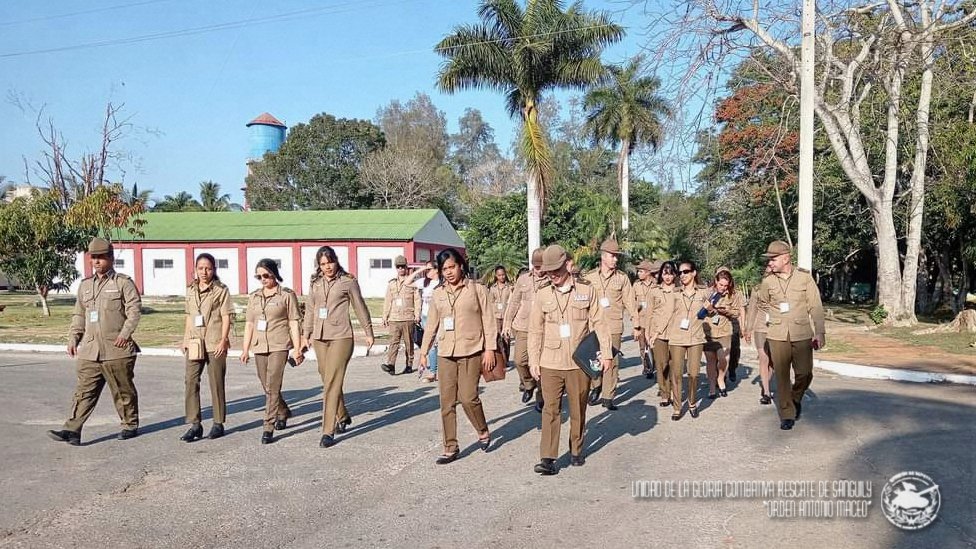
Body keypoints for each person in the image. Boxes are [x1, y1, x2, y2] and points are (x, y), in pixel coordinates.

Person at [48, 237, 142, 446]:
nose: (97, 261)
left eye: (101, 257)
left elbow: (134, 311)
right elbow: (79, 315)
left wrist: (125, 334)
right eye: (94, 257)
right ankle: (72, 430)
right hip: (90, 349)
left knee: (121, 390)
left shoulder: (122, 283)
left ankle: (129, 424)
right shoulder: (85, 286)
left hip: (117, 348)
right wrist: (73, 338)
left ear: (110, 258)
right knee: (84, 391)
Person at [528, 245, 612, 475]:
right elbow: (535, 330)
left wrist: (606, 353)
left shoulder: (586, 290)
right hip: (550, 361)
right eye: (548, 271)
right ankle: (548, 457)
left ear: (567, 265)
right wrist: (533, 360)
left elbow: (599, 323)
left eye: (556, 269)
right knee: (551, 410)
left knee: (578, 408)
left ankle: (576, 449)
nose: (552, 275)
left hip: (578, 363)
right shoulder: (542, 293)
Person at [419, 248, 497, 464]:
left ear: (461, 265)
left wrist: (489, 349)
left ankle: (482, 429)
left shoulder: (477, 290)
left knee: (468, 397)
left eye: (452, 267)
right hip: (446, 352)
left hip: (472, 350)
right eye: (444, 269)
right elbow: (432, 325)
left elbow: (489, 320)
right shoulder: (438, 294)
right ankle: (450, 447)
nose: (449, 272)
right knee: (446, 402)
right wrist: (424, 352)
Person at [302, 246, 374, 448]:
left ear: (336, 261)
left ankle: (327, 430)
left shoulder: (347, 281)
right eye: (323, 264)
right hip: (320, 337)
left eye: (330, 262)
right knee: (327, 379)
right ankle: (342, 415)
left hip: (341, 337)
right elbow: (310, 309)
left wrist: (368, 332)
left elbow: (360, 306)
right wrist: (305, 334)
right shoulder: (315, 283)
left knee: (332, 382)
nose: (327, 267)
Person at [754, 241, 826, 430]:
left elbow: (815, 306)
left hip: (801, 332)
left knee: (805, 373)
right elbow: (762, 303)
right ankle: (787, 413)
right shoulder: (768, 281)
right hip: (777, 334)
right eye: (769, 259)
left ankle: (795, 398)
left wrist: (820, 331)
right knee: (783, 375)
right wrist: (773, 316)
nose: (770, 262)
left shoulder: (804, 278)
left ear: (786, 258)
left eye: (773, 259)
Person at [240, 259, 304, 444]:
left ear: (274, 274)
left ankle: (268, 425)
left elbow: (294, 322)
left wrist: (298, 348)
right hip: (259, 345)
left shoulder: (286, 295)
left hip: (279, 345)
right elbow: (249, 324)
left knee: (273, 385)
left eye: (266, 275)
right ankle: (283, 411)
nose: (263, 279)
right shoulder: (254, 297)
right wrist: (245, 349)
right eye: (259, 276)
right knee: (266, 384)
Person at [179, 253, 232, 442]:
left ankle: (218, 423)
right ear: (195, 269)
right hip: (195, 341)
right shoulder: (190, 290)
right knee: (190, 381)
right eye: (200, 268)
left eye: (208, 268)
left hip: (214, 341)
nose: (204, 272)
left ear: (214, 270)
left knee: (216, 382)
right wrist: (185, 339)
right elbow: (188, 316)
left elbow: (227, 316)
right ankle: (195, 424)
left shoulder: (221, 290)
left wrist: (223, 340)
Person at [583, 239, 641, 410]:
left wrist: (636, 325)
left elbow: (630, 302)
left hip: (613, 326)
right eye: (612, 256)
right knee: (593, 359)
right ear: (603, 256)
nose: (615, 259)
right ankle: (596, 385)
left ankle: (608, 396)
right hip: (593, 326)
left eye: (616, 257)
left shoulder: (622, 278)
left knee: (612, 361)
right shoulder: (589, 278)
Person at [662, 260, 710, 421]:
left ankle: (692, 402)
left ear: (694, 273)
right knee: (676, 374)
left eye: (686, 272)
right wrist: (656, 333)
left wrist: (711, 309)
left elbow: (711, 314)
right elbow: (666, 315)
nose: (682, 275)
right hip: (676, 338)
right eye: (680, 272)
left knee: (694, 374)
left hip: (696, 337)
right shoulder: (675, 293)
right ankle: (677, 407)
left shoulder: (704, 292)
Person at [502, 248, 547, 410]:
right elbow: (513, 302)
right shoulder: (523, 279)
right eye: (536, 267)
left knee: (542, 364)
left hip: (544, 328)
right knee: (520, 360)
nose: (539, 270)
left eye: (541, 266)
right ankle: (528, 384)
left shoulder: (552, 279)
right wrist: (507, 323)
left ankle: (541, 396)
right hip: (523, 326)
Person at [704, 268, 743, 399]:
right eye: (721, 284)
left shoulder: (733, 294)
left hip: (725, 330)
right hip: (709, 331)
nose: (723, 287)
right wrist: (708, 308)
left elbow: (737, 312)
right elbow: (698, 311)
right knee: (710, 360)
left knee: (723, 359)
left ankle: (721, 378)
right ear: (716, 281)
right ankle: (711, 387)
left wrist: (727, 311)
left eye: (726, 285)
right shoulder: (707, 292)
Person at [381, 256, 420, 375]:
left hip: (408, 317)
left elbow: (417, 300)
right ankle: (391, 365)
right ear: (396, 268)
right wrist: (385, 316)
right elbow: (388, 300)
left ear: (406, 268)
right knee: (393, 342)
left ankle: (409, 364)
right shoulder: (392, 283)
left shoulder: (412, 282)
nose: (401, 269)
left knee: (409, 342)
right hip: (394, 318)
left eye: (403, 266)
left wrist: (417, 315)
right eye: (399, 267)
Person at [647, 261, 677, 408]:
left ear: (675, 275)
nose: (667, 277)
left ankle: (674, 391)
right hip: (657, 333)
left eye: (670, 273)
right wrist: (648, 332)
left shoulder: (679, 291)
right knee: (661, 364)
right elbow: (649, 313)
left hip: (675, 333)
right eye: (665, 273)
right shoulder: (654, 291)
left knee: (674, 364)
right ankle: (664, 393)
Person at [744, 265, 774, 405]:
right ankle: (766, 392)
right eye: (767, 272)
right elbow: (752, 310)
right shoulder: (757, 289)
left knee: (773, 362)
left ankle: (766, 381)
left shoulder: (780, 289)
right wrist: (748, 330)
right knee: (763, 358)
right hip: (761, 327)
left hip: (776, 328)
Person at [413, 260, 440, 382]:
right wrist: (420, 270)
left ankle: (440, 371)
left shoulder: (441, 283)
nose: (427, 271)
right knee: (431, 344)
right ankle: (433, 372)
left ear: (436, 270)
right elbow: (407, 283)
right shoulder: (424, 282)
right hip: (425, 316)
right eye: (426, 269)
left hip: (438, 316)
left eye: (429, 269)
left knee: (439, 344)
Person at [633, 260, 658, 379]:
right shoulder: (636, 285)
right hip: (642, 320)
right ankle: (647, 367)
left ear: (648, 272)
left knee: (653, 345)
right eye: (638, 271)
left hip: (653, 322)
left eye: (641, 271)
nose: (638, 273)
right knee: (642, 346)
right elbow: (632, 303)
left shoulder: (656, 284)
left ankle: (656, 365)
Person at [488, 265, 513, 362]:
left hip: (506, 315)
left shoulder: (510, 287)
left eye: (503, 275)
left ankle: (506, 358)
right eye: (499, 275)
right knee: (498, 338)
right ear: (496, 276)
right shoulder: (493, 288)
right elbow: (490, 302)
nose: (501, 277)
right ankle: (500, 359)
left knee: (506, 338)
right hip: (496, 316)